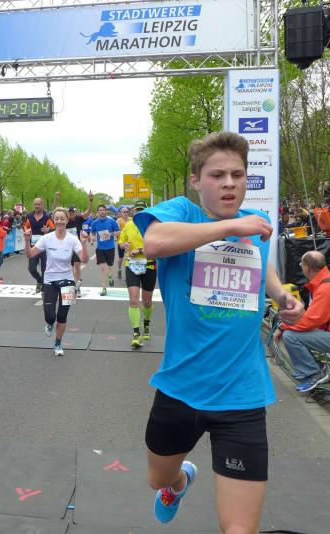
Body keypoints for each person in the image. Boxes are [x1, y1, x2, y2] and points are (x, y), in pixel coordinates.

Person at [134, 132, 304, 531]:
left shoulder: (254, 226)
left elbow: (261, 265)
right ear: (196, 180)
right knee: (157, 478)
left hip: (242, 394)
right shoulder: (182, 213)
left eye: (237, 175)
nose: (229, 183)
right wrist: (229, 226)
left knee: (239, 528)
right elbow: (154, 243)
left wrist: (282, 296)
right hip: (181, 389)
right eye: (217, 175)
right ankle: (178, 484)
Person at [275, 251, 330, 393]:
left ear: (307, 268)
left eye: (301, 265)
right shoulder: (327, 279)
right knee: (293, 333)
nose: (301, 267)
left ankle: (313, 373)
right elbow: (313, 317)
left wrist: (283, 327)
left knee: (290, 336)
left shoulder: (326, 288)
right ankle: (315, 367)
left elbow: (309, 321)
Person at [23, 208, 89, 356]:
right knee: (50, 316)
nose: (59, 221)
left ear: (67, 220)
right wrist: (27, 241)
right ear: (53, 220)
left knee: (62, 316)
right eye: (56, 219)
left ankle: (58, 344)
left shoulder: (73, 239)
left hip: (68, 281)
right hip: (50, 280)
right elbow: (30, 254)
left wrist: (84, 244)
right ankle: (49, 323)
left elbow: (84, 260)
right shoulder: (47, 238)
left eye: (62, 219)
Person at [118, 200, 156, 348]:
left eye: (142, 210)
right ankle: (136, 333)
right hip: (132, 265)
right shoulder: (129, 225)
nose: (139, 213)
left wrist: (139, 250)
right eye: (137, 210)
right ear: (134, 211)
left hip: (149, 264)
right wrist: (125, 245)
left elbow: (156, 247)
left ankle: (146, 324)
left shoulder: (152, 226)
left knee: (147, 301)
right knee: (133, 299)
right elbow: (121, 242)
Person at [23, 197, 55, 294]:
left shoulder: (47, 216)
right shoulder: (29, 216)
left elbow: (54, 229)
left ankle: (44, 289)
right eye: (35, 204)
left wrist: (48, 230)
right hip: (33, 246)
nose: (37, 206)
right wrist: (26, 230)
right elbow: (25, 226)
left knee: (44, 269)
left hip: (45, 247)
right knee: (31, 268)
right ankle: (39, 280)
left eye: (38, 204)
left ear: (42, 205)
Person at [90, 204, 121, 295]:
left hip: (110, 248)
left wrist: (110, 234)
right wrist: (92, 238)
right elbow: (92, 232)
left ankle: (110, 276)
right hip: (100, 248)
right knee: (102, 269)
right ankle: (104, 288)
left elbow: (118, 231)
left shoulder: (111, 221)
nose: (102, 211)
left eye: (103, 210)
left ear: (106, 211)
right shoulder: (95, 223)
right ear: (97, 212)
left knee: (109, 268)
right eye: (100, 210)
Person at [116, 207, 131, 279]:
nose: (126, 213)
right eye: (124, 212)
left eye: (127, 212)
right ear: (121, 213)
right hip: (121, 242)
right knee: (121, 258)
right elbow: (117, 231)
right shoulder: (118, 221)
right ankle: (119, 269)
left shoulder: (131, 219)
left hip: (130, 242)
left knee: (129, 257)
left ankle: (129, 275)